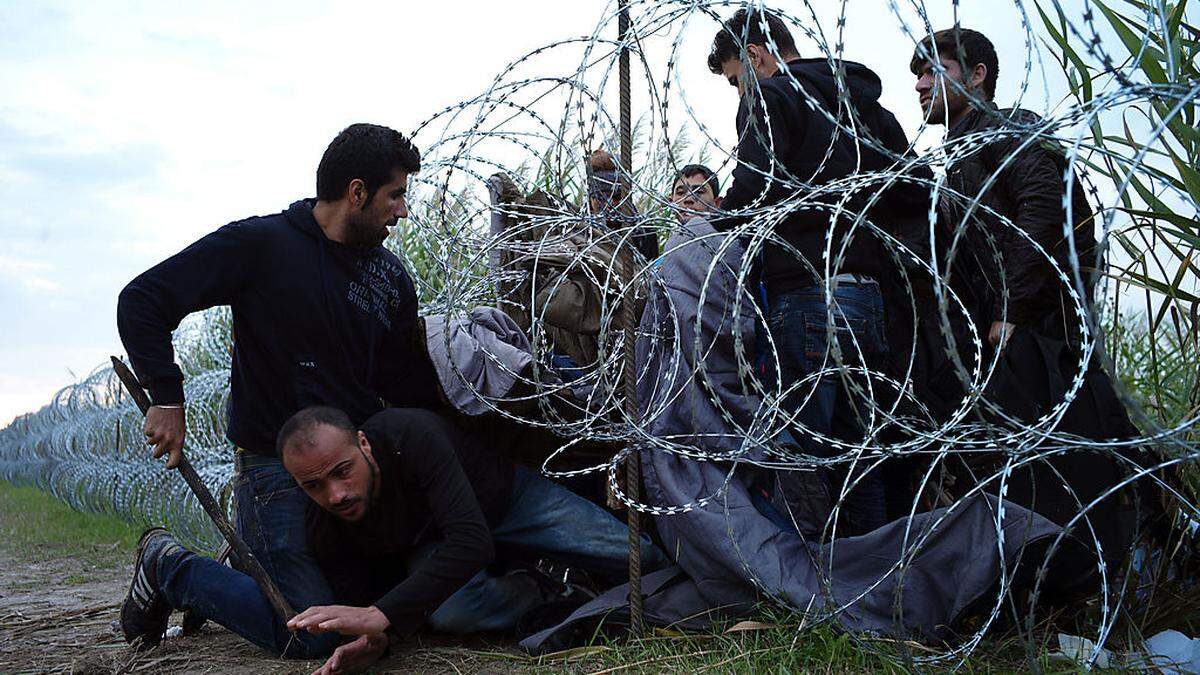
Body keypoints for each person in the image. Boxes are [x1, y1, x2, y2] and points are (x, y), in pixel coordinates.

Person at [116, 123, 441, 658]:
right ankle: (169, 567)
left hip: (357, 475)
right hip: (277, 475)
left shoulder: (389, 279)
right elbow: (144, 300)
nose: (402, 212)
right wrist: (166, 397)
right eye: (396, 195)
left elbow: (401, 382)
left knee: (387, 612)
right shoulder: (262, 246)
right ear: (357, 192)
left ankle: (247, 576)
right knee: (311, 639)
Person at [911, 27, 1151, 570]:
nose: (921, 85)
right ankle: (1063, 568)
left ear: (977, 76)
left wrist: (1010, 311)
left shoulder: (1006, 130)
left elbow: (1042, 213)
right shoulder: (964, 149)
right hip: (1016, 328)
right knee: (1042, 455)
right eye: (918, 75)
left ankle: (1116, 562)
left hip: (1043, 328)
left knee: (1075, 447)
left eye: (935, 70)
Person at [706, 8, 927, 536]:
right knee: (862, 453)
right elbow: (914, 188)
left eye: (736, 79)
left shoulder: (772, 95)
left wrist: (715, 229)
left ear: (756, 55)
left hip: (806, 295)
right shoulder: (867, 106)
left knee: (802, 451)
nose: (739, 91)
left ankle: (806, 586)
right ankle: (874, 576)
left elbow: (755, 184)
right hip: (869, 297)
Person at [281, 406, 666, 673]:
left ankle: (555, 566)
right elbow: (370, 602)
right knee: (454, 613)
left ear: (363, 444)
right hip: (441, 544)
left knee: (642, 558)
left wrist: (380, 616)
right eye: (313, 485)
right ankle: (551, 591)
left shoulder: (411, 434)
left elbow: (471, 541)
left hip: (505, 502)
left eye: (343, 471)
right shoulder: (323, 523)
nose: (335, 494)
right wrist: (374, 640)